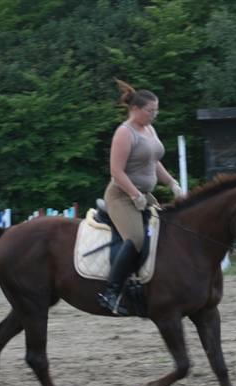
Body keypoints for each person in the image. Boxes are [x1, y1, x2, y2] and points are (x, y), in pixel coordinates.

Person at [98, 79, 183, 315]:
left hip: (145, 195)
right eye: (150, 111)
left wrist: (171, 182)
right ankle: (111, 292)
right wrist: (134, 194)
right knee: (136, 239)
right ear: (135, 109)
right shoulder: (124, 133)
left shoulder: (149, 129)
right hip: (122, 196)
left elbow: (153, 160)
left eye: (156, 111)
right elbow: (116, 171)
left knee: (168, 230)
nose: (154, 115)